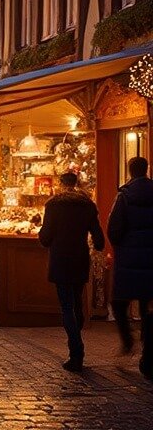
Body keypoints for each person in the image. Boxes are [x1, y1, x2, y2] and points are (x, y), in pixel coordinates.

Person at [38, 171, 105, 372]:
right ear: (77, 183)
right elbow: (99, 240)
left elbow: (45, 238)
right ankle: (78, 339)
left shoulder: (53, 205)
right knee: (76, 302)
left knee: (66, 306)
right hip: (79, 259)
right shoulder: (88, 206)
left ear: (60, 184)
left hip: (60, 259)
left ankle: (76, 352)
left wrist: (43, 231)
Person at [108, 156, 153, 380]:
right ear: (147, 170)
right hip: (150, 261)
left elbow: (114, 229)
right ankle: (148, 355)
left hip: (128, 260)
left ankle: (127, 341)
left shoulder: (124, 196)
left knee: (118, 304)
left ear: (130, 170)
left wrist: (122, 246)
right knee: (148, 309)